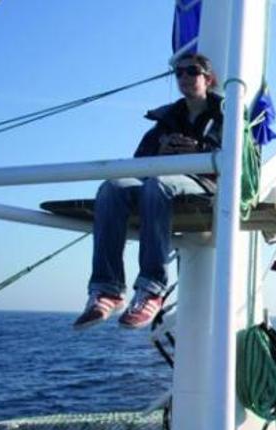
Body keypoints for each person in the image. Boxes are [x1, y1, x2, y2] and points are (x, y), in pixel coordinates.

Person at [73, 53, 223, 330]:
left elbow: (238, 159)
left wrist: (198, 151)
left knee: (158, 184)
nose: (184, 77)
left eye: (192, 71)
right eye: (178, 73)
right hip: (161, 180)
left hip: (202, 186)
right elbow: (139, 162)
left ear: (208, 78)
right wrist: (161, 151)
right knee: (112, 187)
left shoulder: (226, 115)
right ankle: (107, 288)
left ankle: (152, 288)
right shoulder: (166, 120)